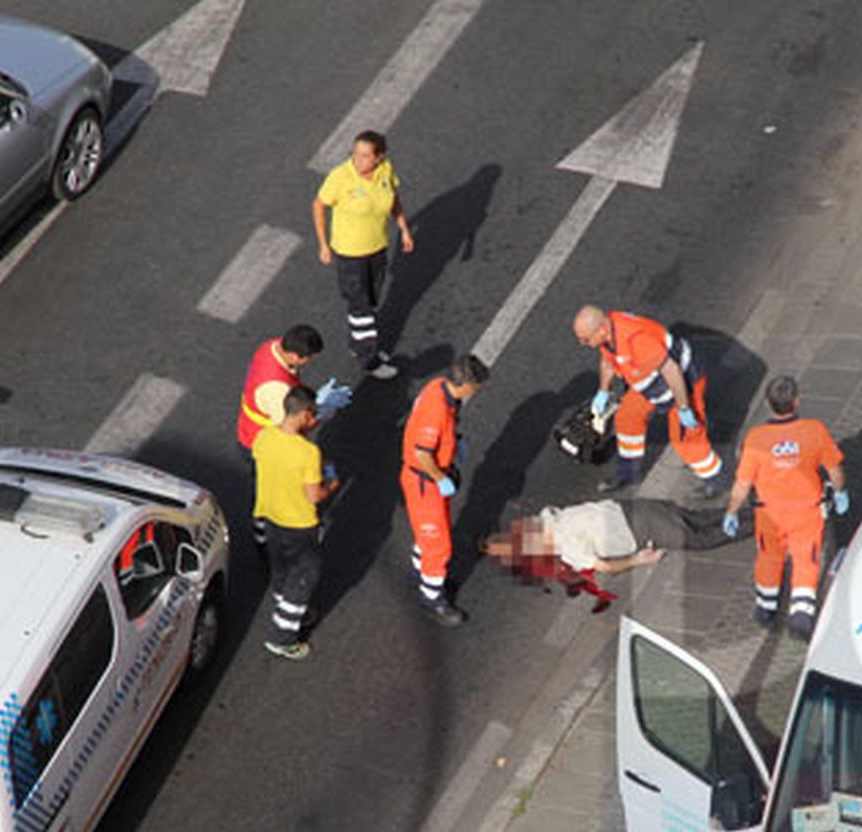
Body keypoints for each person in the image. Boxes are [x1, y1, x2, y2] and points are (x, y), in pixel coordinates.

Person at [723, 374, 846, 638]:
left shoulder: (756, 438)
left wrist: (731, 511)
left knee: (769, 558)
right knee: (806, 559)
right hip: (807, 512)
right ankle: (801, 614)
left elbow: (743, 484)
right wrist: (840, 492)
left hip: (769, 514)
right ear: (796, 401)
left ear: (768, 404)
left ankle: (765, 608)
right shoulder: (814, 431)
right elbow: (834, 470)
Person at [483, 497, 748, 610]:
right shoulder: (552, 517)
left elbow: (605, 567)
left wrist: (638, 560)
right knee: (701, 518)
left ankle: (761, 523)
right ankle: (756, 507)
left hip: (643, 529)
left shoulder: (566, 545)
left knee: (701, 540)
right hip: (637, 507)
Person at [572, 304, 726, 496]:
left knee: (686, 438)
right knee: (627, 418)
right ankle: (628, 473)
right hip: (650, 380)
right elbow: (608, 362)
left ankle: (716, 480)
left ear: (601, 330)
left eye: (585, 339)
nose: (582, 343)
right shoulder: (609, 332)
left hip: (682, 386)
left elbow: (672, 371)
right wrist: (602, 392)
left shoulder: (638, 340)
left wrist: (684, 408)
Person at [313, 130, 414, 382]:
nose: (358, 160)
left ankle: (357, 344)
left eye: (365, 156)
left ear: (379, 157)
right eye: (355, 154)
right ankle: (369, 359)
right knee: (361, 307)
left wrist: (404, 229)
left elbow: (394, 200)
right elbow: (318, 205)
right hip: (350, 254)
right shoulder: (341, 177)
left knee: (370, 299)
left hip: (377, 249)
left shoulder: (385, 171)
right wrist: (323, 245)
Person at [401, 353, 490, 626]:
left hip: (429, 478)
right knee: (438, 544)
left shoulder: (439, 387)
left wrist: (454, 441)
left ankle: (424, 573)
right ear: (464, 385)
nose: (476, 393)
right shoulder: (436, 410)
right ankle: (432, 598)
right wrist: (440, 478)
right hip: (425, 482)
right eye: (475, 388)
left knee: (428, 534)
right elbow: (422, 453)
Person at [253, 386, 340, 660]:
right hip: (298, 523)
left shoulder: (264, 437)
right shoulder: (308, 452)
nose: (315, 418)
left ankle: (285, 605)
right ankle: (282, 637)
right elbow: (314, 495)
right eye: (313, 413)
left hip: (270, 515)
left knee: (281, 566)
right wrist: (332, 484)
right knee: (304, 576)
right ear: (304, 414)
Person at [235, 324, 350, 463]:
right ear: (295, 357)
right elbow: (291, 428)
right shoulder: (277, 389)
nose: (308, 361)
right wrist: (320, 413)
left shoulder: (272, 346)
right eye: (308, 357)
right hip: (263, 446)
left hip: (250, 431)